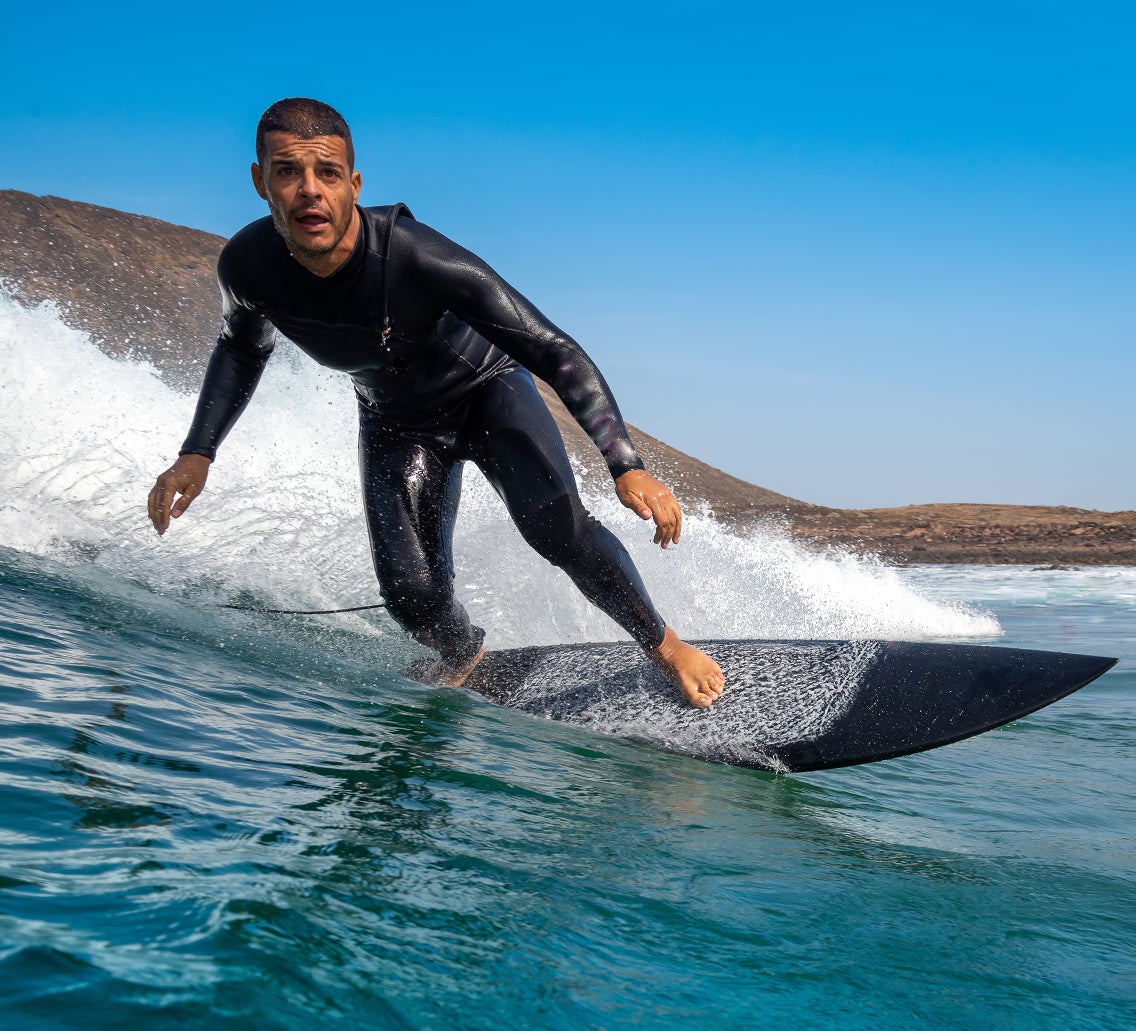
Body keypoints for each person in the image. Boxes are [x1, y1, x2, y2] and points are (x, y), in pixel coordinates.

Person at [147, 97, 725, 706]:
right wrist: (197, 453)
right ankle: (462, 649)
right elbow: (241, 349)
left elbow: (553, 349)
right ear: (260, 180)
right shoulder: (248, 267)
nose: (310, 191)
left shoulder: (417, 256)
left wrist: (624, 461)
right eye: (288, 171)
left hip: (486, 393)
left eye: (329, 173)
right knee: (410, 597)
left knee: (554, 527)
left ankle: (666, 645)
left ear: (355, 184)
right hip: (396, 421)